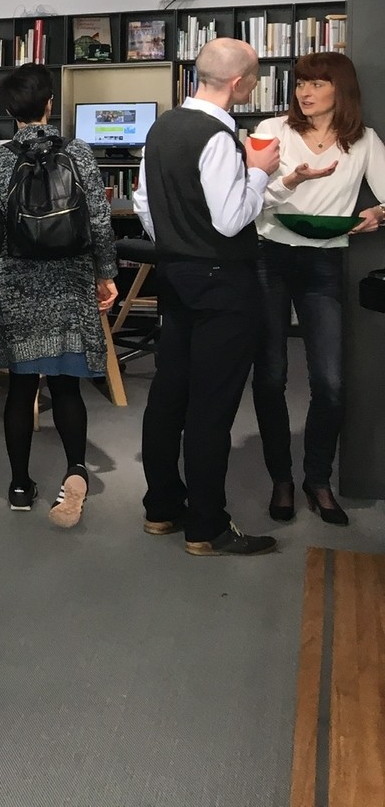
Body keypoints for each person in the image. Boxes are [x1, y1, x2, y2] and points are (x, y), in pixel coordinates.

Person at [135, 37, 282, 556]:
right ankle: (207, 526)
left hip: (176, 275)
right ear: (239, 83)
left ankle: (161, 508)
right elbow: (230, 219)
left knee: (169, 393)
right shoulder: (218, 136)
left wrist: (178, 241)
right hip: (223, 282)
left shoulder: (162, 126)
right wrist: (261, 170)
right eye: (255, 77)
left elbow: (144, 203)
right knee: (212, 406)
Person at [0, 63, 117, 526]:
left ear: (9, 110)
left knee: (21, 388)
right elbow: (99, 221)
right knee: (66, 385)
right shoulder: (79, 152)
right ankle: (76, 469)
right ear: (49, 104)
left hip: (18, 284)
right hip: (70, 281)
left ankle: (20, 485)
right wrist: (105, 274)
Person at [248, 51, 385, 526]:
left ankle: (317, 478)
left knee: (331, 383)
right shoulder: (273, 129)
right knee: (270, 376)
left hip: (325, 261)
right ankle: (281, 478)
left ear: (340, 89)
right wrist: (291, 180)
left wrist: (378, 213)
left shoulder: (363, 140)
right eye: (301, 83)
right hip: (269, 256)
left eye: (317, 83)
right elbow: (248, 197)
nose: (304, 92)